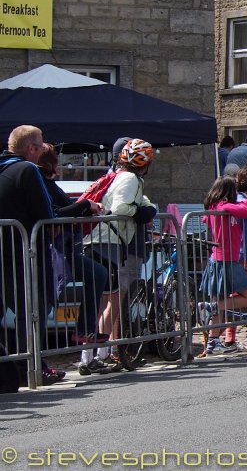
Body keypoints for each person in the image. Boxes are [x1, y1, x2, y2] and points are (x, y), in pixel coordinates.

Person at [83, 138, 158, 373]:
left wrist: (148, 207)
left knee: (105, 300)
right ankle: (94, 355)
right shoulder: (130, 179)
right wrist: (143, 212)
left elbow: (138, 201)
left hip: (104, 241)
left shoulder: (125, 177)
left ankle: (96, 354)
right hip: (107, 242)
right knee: (110, 300)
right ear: (144, 163)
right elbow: (121, 208)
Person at [0, 125, 62, 386]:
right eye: (41, 144)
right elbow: (46, 215)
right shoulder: (28, 169)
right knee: (32, 311)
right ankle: (33, 367)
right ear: (32, 149)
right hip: (21, 252)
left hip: (4, 251)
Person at [35, 145, 111, 357]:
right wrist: (86, 203)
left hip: (64, 249)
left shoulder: (49, 183)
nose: (58, 166)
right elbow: (56, 213)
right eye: (56, 161)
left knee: (97, 273)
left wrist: (87, 207)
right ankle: (35, 361)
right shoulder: (39, 180)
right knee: (43, 305)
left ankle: (84, 329)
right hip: (51, 250)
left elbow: (67, 207)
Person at [196, 176, 247, 355]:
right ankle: (214, 309)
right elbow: (244, 209)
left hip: (222, 260)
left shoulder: (219, 208)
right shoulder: (222, 207)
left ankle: (212, 343)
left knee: (220, 301)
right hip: (225, 261)